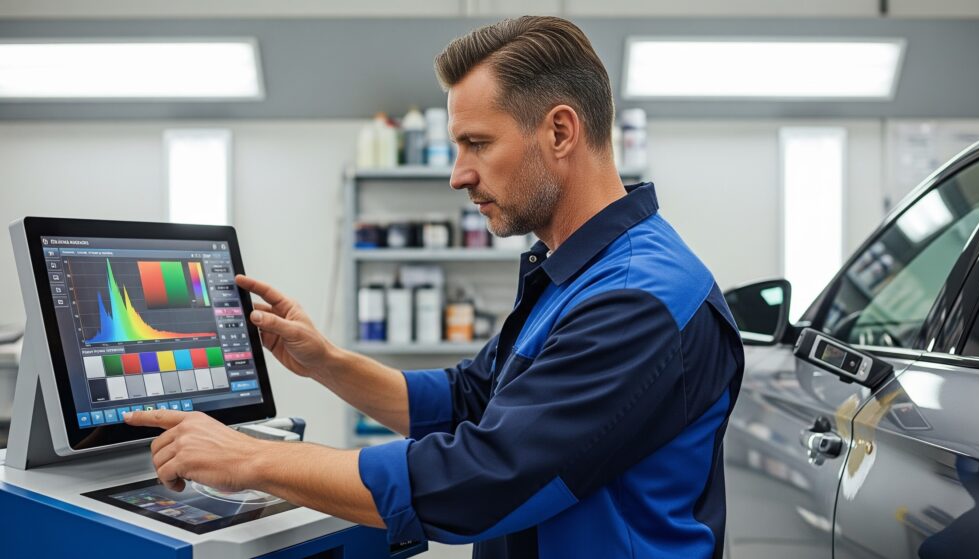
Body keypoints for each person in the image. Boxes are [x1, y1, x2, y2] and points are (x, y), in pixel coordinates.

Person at [126, 16, 744, 559]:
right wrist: (327, 363)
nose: (458, 175)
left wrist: (251, 459)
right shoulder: (575, 271)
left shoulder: (639, 298)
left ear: (560, 132)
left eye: (477, 143)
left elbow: (485, 478)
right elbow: (469, 400)